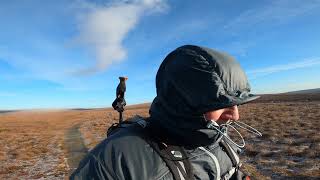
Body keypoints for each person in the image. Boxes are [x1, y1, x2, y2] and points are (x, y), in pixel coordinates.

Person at [70, 45, 260, 180]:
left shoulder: (218, 136)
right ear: (183, 101)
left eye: (237, 104)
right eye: (222, 104)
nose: (235, 116)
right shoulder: (115, 162)